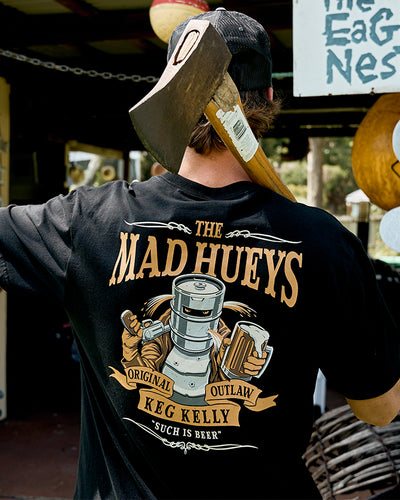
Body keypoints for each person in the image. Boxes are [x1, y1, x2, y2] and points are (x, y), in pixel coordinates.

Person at [1, 7, 400, 500]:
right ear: (268, 98)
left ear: (170, 93)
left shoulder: (85, 222)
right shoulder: (324, 244)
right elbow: (380, 408)